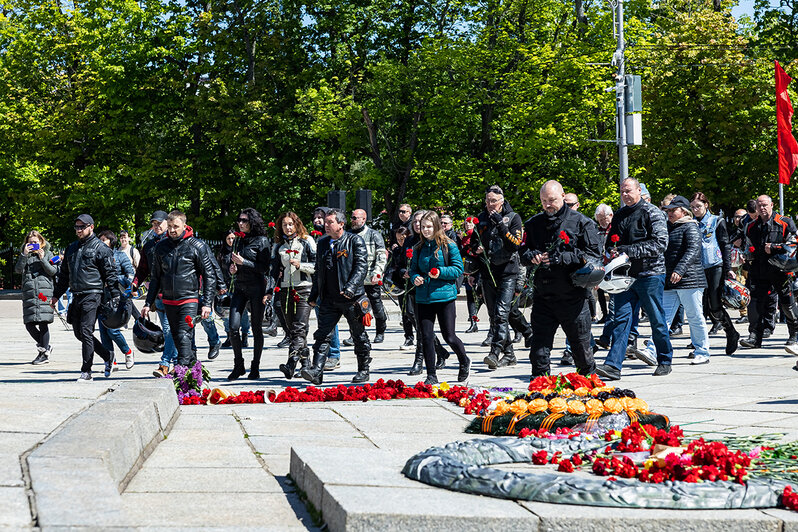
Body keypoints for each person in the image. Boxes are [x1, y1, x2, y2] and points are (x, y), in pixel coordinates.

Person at [595, 178, 673, 380]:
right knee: (620, 320)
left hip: (650, 274)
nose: (624, 195)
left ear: (639, 190)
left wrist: (627, 251)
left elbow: (660, 244)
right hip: (625, 277)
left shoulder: (652, 212)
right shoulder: (620, 215)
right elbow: (611, 244)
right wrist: (610, 255)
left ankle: (664, 359)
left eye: (628, 191)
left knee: (656, 319)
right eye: (622, 192)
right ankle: (613, 365)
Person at [521, 181, 600, 377]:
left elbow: (593, 255)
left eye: (553, 200)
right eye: (544, 201)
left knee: (581, 349)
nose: (549, 204)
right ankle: (540, 390)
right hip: (543, 295)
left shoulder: (582, 222)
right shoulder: (533, 224)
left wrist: (563, 257)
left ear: (563, 196)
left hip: (572, 295)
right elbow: (522, 253)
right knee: (539, 350)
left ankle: (589, 388)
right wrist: (532, 256)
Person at [302, 208, 372, 385]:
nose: (325, 225)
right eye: (325, 222)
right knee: (322, 335)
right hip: (329, 298)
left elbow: (361, 267)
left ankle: (363, 370)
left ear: (341, 224)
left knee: (359, 335)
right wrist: (314, 295)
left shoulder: (354, 240)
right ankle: (317, 370)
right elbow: (319, 271)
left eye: (330, 222)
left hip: (352, 298)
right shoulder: (323, 243)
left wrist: (350, 287)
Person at [639, 196, 711, 364]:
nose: (669, 213)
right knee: (663, 317)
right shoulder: (667, 228)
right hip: (670, 280)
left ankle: (702, 351)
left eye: (673, 210)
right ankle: (652, 349)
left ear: (684, 211)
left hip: (690, 280)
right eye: (668, 210)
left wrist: (679, 270)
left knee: (695, 316)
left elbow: (693, 251)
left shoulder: (691, 227)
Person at [141, 210, 216, 370]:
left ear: (184, 225)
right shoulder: (161, 247)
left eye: (176, 226)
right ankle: (193, 371)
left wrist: (207, 303)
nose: (172, 230)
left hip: (189, 299)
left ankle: (182, 371)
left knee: (184, 335)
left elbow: (209, 275)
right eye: (170, 226)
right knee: (177, 336)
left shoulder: (197, 246)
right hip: (168, 300)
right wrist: (148, 303)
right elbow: (155, 277)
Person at [52, 214, 118, 382]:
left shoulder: (101, 248)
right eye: (77, 227)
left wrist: (115, 296)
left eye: (82, 227)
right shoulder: (71, 248)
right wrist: (55, 296)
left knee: (87, 331)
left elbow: (110, 274)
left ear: (91, 227)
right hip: (76, 295)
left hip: (94, 294)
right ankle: (107, 355)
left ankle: (86, 371)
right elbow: (64, 275)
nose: (79, 230)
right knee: (79, 333)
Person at [408, 211, 470, 384]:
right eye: (423, 227)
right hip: (423, 297)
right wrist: (415, 278)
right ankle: (431, 374)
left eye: (429, 227)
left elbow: (458, 269)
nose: (425, 230)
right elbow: (413, 269)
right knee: (426, 336)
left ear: (436, 227)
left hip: (444, 297)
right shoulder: (418, 248)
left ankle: (464, 360)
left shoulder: (449, 245)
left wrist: (440, 272)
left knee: (449, 336)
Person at [469, 185, 524, 370]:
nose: (490, 204)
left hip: (508, 271)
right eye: (487, 201)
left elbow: (515, 245)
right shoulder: (481, 218)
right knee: (494, 316)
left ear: (501, 201)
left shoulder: (513, 217)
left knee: (502, 313)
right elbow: (473, 243)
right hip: (487, 272)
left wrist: (501, 224)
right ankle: (509, 355)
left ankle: (494, 352)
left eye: (493, 201)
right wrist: (476, 249)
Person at [740, 195, 798, 352]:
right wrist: (745, 255)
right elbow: (748, 246)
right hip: (759, 270)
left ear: (772, 205)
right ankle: (754, 336)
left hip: (781, 269)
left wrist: (775, 247)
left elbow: (794, 243)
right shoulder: (751, 226)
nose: (762, 208)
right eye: (759, 205)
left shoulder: (785, 222)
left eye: (765, 205)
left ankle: (794, 335)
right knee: (756, 303)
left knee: (787, 301)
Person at [690, 192, 739, 355]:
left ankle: (731, 332)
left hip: (715, 265)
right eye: (693, 207)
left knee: (715, 305)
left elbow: (725, 245)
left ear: (706, 205)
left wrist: (728, 269)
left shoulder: (717, 221)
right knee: (699, 308)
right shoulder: (690, 223)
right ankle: (699, 344)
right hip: (697, 268)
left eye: (698, 206)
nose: (695, 209)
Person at [225, 208, 271, 380]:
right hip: (239, 287)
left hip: (256, 287)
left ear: (252, 222)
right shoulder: (238, 240)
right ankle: (238, 365)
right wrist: (233, 269)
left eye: (244, 220)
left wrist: (245, 262)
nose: (241, 223)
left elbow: (264, 268)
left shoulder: (262, 241)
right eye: (239, 220)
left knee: (256, 329)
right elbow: (232, 263)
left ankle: (255, 367)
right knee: (233, 327)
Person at [132, 210, 178, 377]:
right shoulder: (149, 245)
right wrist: (135, 282)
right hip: (158, 295)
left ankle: (166, 363)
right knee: (169, 330)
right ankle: (176, 363)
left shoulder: (175, 242)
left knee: (169, 330)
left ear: (168, 223)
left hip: (176, 294)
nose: (156, 226)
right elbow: (143, 268)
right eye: (154, 223)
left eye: (159, 223)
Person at [271, 211, 317, 379]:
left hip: (304, 288)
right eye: (285, 225)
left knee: (298, 327)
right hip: (285, 290)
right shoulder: (278, 245)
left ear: (296, 224)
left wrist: (301, 266)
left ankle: (291, 363)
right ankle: (306, 365)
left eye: (291, 224)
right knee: (293, 330)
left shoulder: (307, 241)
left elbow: (317, 265)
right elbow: (273, 271)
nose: (288, 227)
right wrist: (269, 292)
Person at [344, 209, 388, 343]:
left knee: (376, 306)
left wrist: (378, 273)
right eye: (351, 217)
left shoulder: (374, 235)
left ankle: (380, 331)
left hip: (371, 279)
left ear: (364, 219)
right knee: (354, 308)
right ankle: (356, 335)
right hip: (355, 280)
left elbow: (381, 256)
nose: (352, 220)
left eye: (355, 218)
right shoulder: (348, 235)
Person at [16, 230, 58, 365]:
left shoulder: (49, 254)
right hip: (29, 294)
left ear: (41, 242)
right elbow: (18, 270)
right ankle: (45, 348)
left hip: (44, 293)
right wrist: (24, 255)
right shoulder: (25, 255)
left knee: (43, 322)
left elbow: (53, 271)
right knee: (29, 324)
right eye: (30, 242)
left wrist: (43, 259)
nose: (33, 244)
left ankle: (43, 354)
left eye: (36, 242)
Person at [97, 230, 135, 369]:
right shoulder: (97, 258)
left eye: (104, 240)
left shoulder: (120, 256)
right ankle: (110, 360)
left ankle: (128, 351)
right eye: (99, 240)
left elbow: (130, 275)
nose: (100, 243)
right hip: (101, 298)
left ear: (111, 242)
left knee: (112, 330)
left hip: (117, 298)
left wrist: (112, 279)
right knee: (103, 331)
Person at [218, 230, 251, 348]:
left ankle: (245, 335)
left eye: (233, 238)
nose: (231, 241)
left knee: (243, 312)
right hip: (227, 286)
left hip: (239, 285)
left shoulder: (240, 251)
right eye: (229, 239)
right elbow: (219, 270)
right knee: (226, 312)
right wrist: (221, 285)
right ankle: (229, 336)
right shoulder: (222, 253)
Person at [390, 226, 415, 348]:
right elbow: (395, 266)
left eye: (403, 238)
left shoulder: (412, 248)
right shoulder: (397, 250)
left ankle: (420, 334)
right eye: (398, 239)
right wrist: (401, 272)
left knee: (411, 312)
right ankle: (409, 337)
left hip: (413, 283)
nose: (401, 242)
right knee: (405, 310)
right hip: (401, 283)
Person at [460, 216, 482, 334]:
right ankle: (473, 322)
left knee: (480, 295)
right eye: (467, 223)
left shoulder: (477, 235)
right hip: (469, 268)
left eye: (471, 223)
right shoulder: (464, 237)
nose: (468, 225)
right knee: (470, 295)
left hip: (479, 269)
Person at [594, 204, 613, 324]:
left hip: (613, 263)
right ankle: (604, 314)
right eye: (599, 220)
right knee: (599, 289)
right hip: (601, 262)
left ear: (610, 215)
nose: (602, 222)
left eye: (603, 219)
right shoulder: (597, 231)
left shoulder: (615, 227)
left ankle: (612, 315)